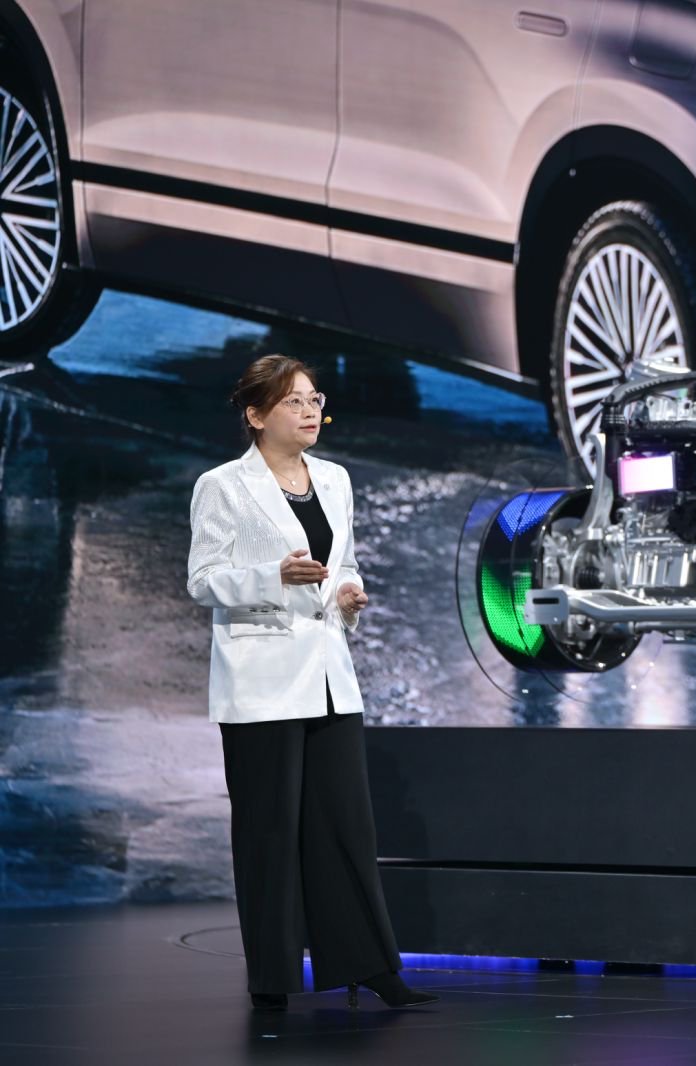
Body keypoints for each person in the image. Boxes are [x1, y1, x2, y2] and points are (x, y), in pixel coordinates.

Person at [185, 354, 437, 1012]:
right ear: (255, 415)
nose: (309, 411)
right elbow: (203, 580)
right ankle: (272, 978)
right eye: (293, 401)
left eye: (314, 399)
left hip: (328, 674)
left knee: (346, 826)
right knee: (268, 832)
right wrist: (273, 576)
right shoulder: (223, 486)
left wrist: (348, 594)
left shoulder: (334, 478)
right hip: (260, 680)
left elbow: (341, 564)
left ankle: (371, 967)